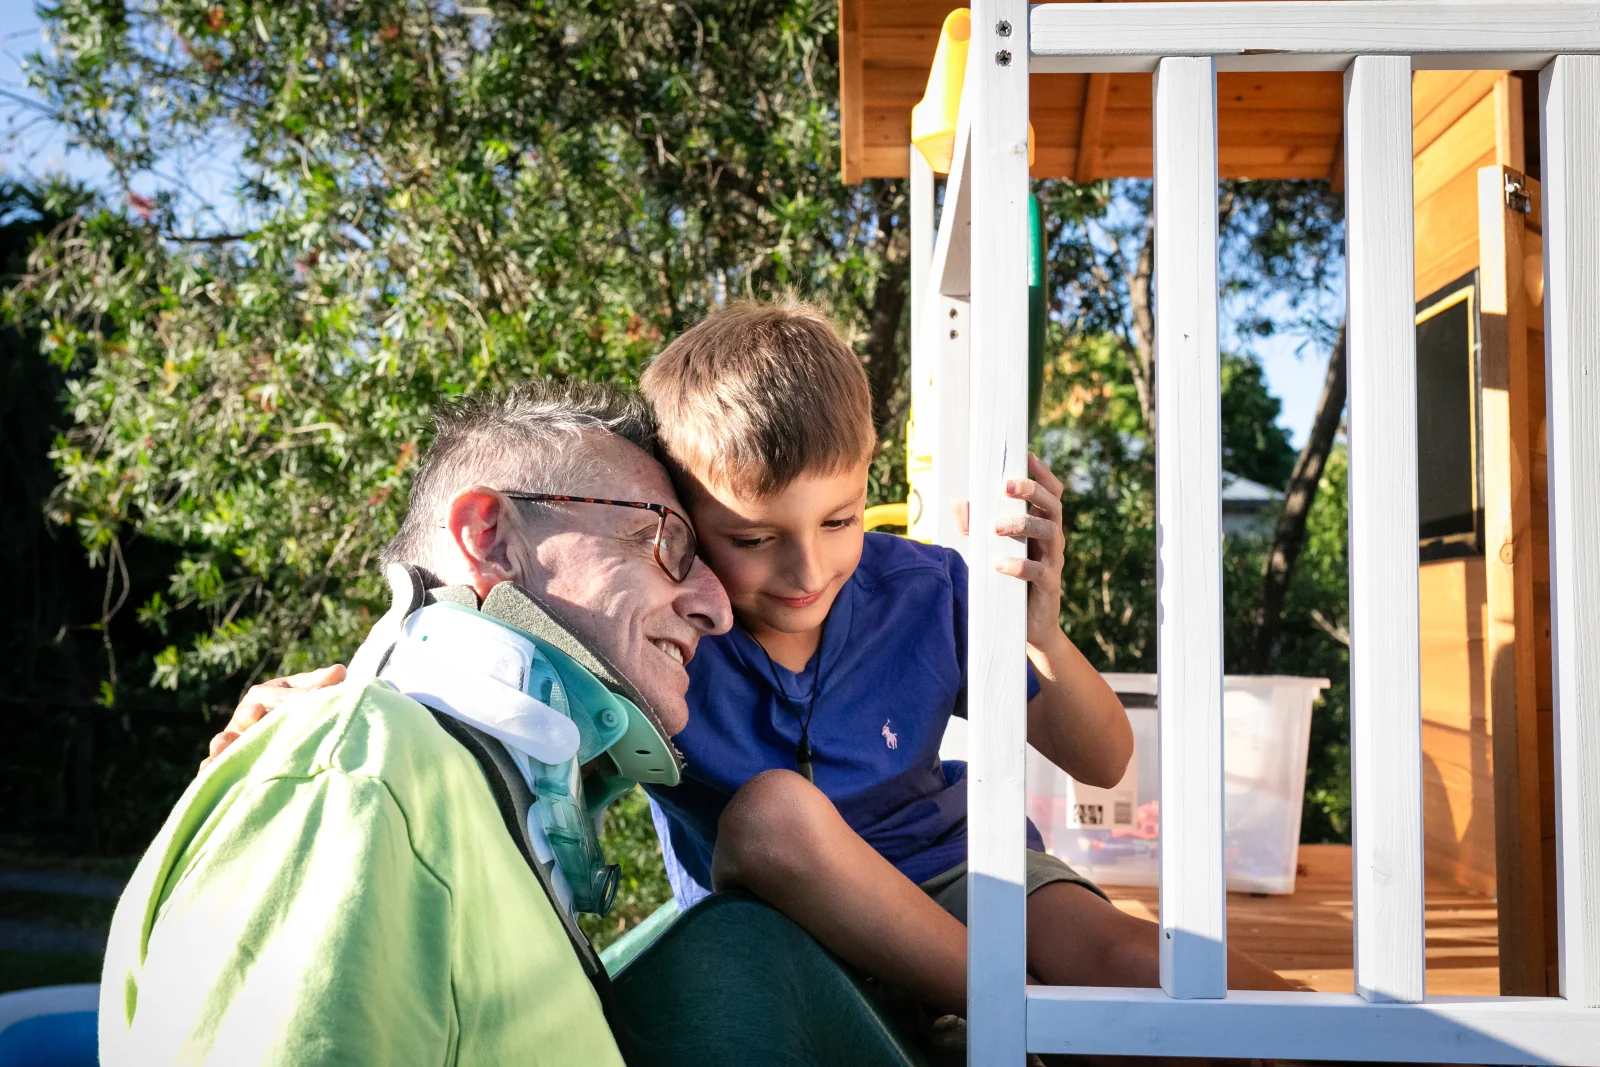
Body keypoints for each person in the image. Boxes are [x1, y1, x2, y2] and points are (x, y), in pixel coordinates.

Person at [632, 297, 1295, 1013]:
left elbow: (1105, 764)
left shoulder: (923, 589)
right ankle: (1026, 1022)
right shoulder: (662, 628)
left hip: (956, 867)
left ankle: (1371, 1049)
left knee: (1133, 960)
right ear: (682, 518)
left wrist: (1043, 635)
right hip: (781, 916)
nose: (808, 570)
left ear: (866, 478)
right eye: (755, 539)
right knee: (774, 814)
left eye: (839, 520)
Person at [99, 381, 732, 1065]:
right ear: (488, 538)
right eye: (662, 540)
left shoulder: (447, 795)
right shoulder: (362, 768)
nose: (717, 604)